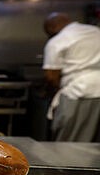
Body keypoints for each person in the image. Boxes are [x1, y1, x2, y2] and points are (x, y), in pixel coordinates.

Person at [42, 12, 100, 142]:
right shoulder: (96, 31)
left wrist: (50, 90)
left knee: (69, 143)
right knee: (95, 147)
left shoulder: (58, 40)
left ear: (51, 28)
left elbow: (51, 76)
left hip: (78, 92)